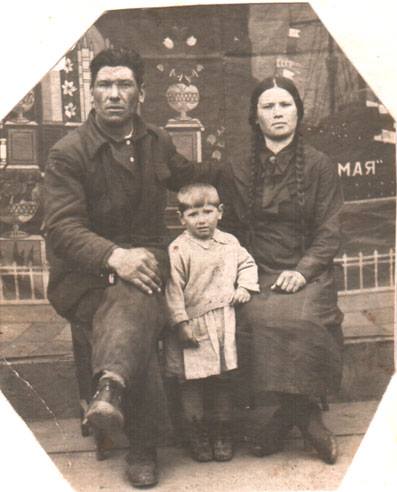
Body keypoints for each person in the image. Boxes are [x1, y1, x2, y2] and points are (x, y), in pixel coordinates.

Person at [43, 47, 218, 488]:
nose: (114, 94)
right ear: (91, 92)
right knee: (135, 301)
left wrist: (237, 171)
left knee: (137, 292)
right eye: (104, 84)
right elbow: (61, 228)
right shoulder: (68, 153)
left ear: (141, 92)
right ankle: (141, 444)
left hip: (145, 265)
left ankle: (110, 390)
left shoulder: (155, 140)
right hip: (86, 279)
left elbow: (188, 175)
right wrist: (115, 257)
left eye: (124, 84)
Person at [218, 76, 344, 465]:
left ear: (298, 113)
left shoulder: (320, 165)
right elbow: (228, 230)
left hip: (308, 271)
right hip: (256, 270)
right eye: (268, 106)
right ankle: (305, 417)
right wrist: (242, 274)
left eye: (285, 104)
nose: (277, 113)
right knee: (254, 317)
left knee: (303, 318)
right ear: (255, 117)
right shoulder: (237, 167)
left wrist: (303, 271)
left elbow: (330, 231)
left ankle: (283, 419)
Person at [164, 183, 259, 463]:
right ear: (181, 218)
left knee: (222, 379)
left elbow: (247, 264)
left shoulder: (230, 243)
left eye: (207, 212)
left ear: (220, 212)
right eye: (193, 214)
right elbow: (172, 290)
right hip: (192, 324)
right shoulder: (178, 249)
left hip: (222, 322)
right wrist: (180, 323)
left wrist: (245, 286)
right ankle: (196, 433)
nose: (202, 220)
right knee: (191, 382)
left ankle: (221, 431)